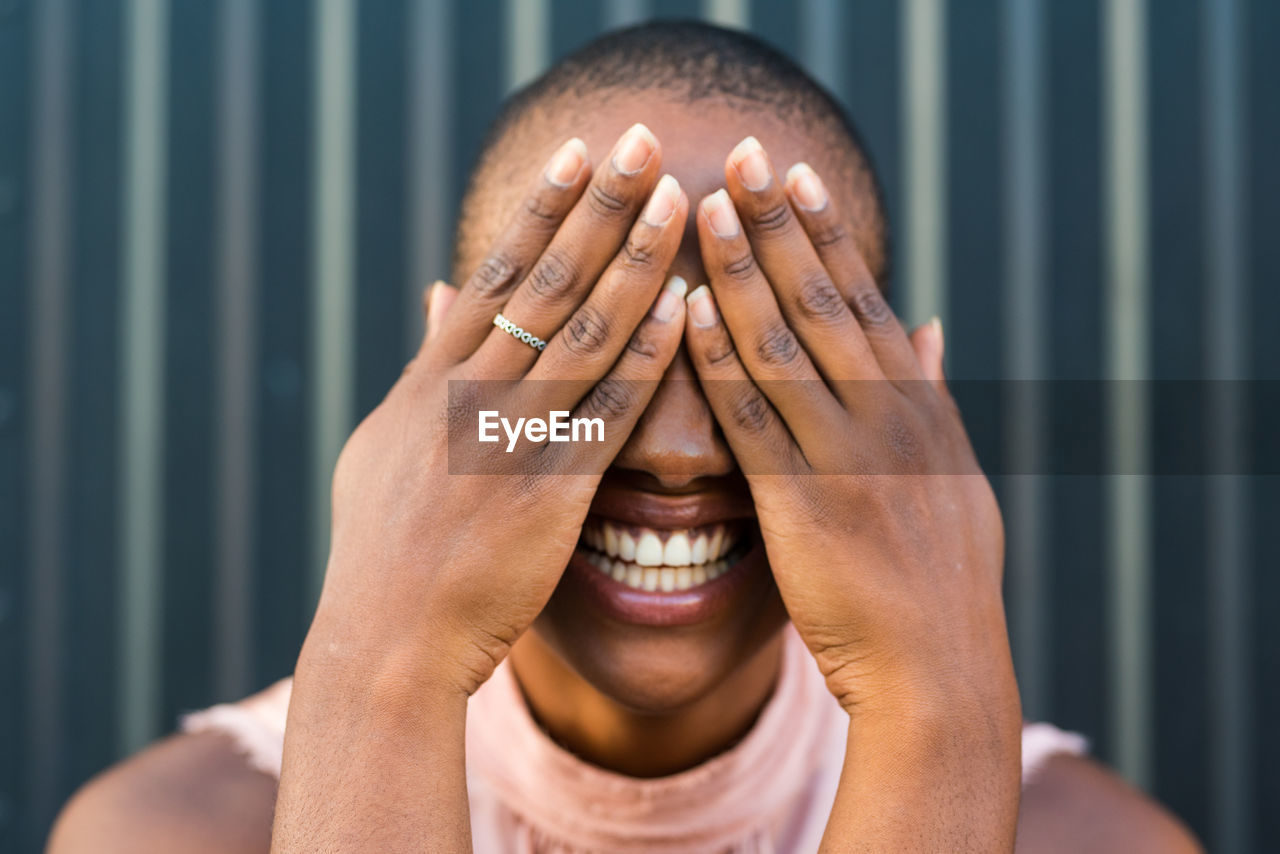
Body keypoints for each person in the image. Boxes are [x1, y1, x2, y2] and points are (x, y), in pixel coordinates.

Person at [48, 22, 1200, 853]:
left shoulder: (1089, 840)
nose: (679, 451)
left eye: (761, 352)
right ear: (441, 372)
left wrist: (937, 706)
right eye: (594, 347)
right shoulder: (174, 833)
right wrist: (382, 664)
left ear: (907, 403)